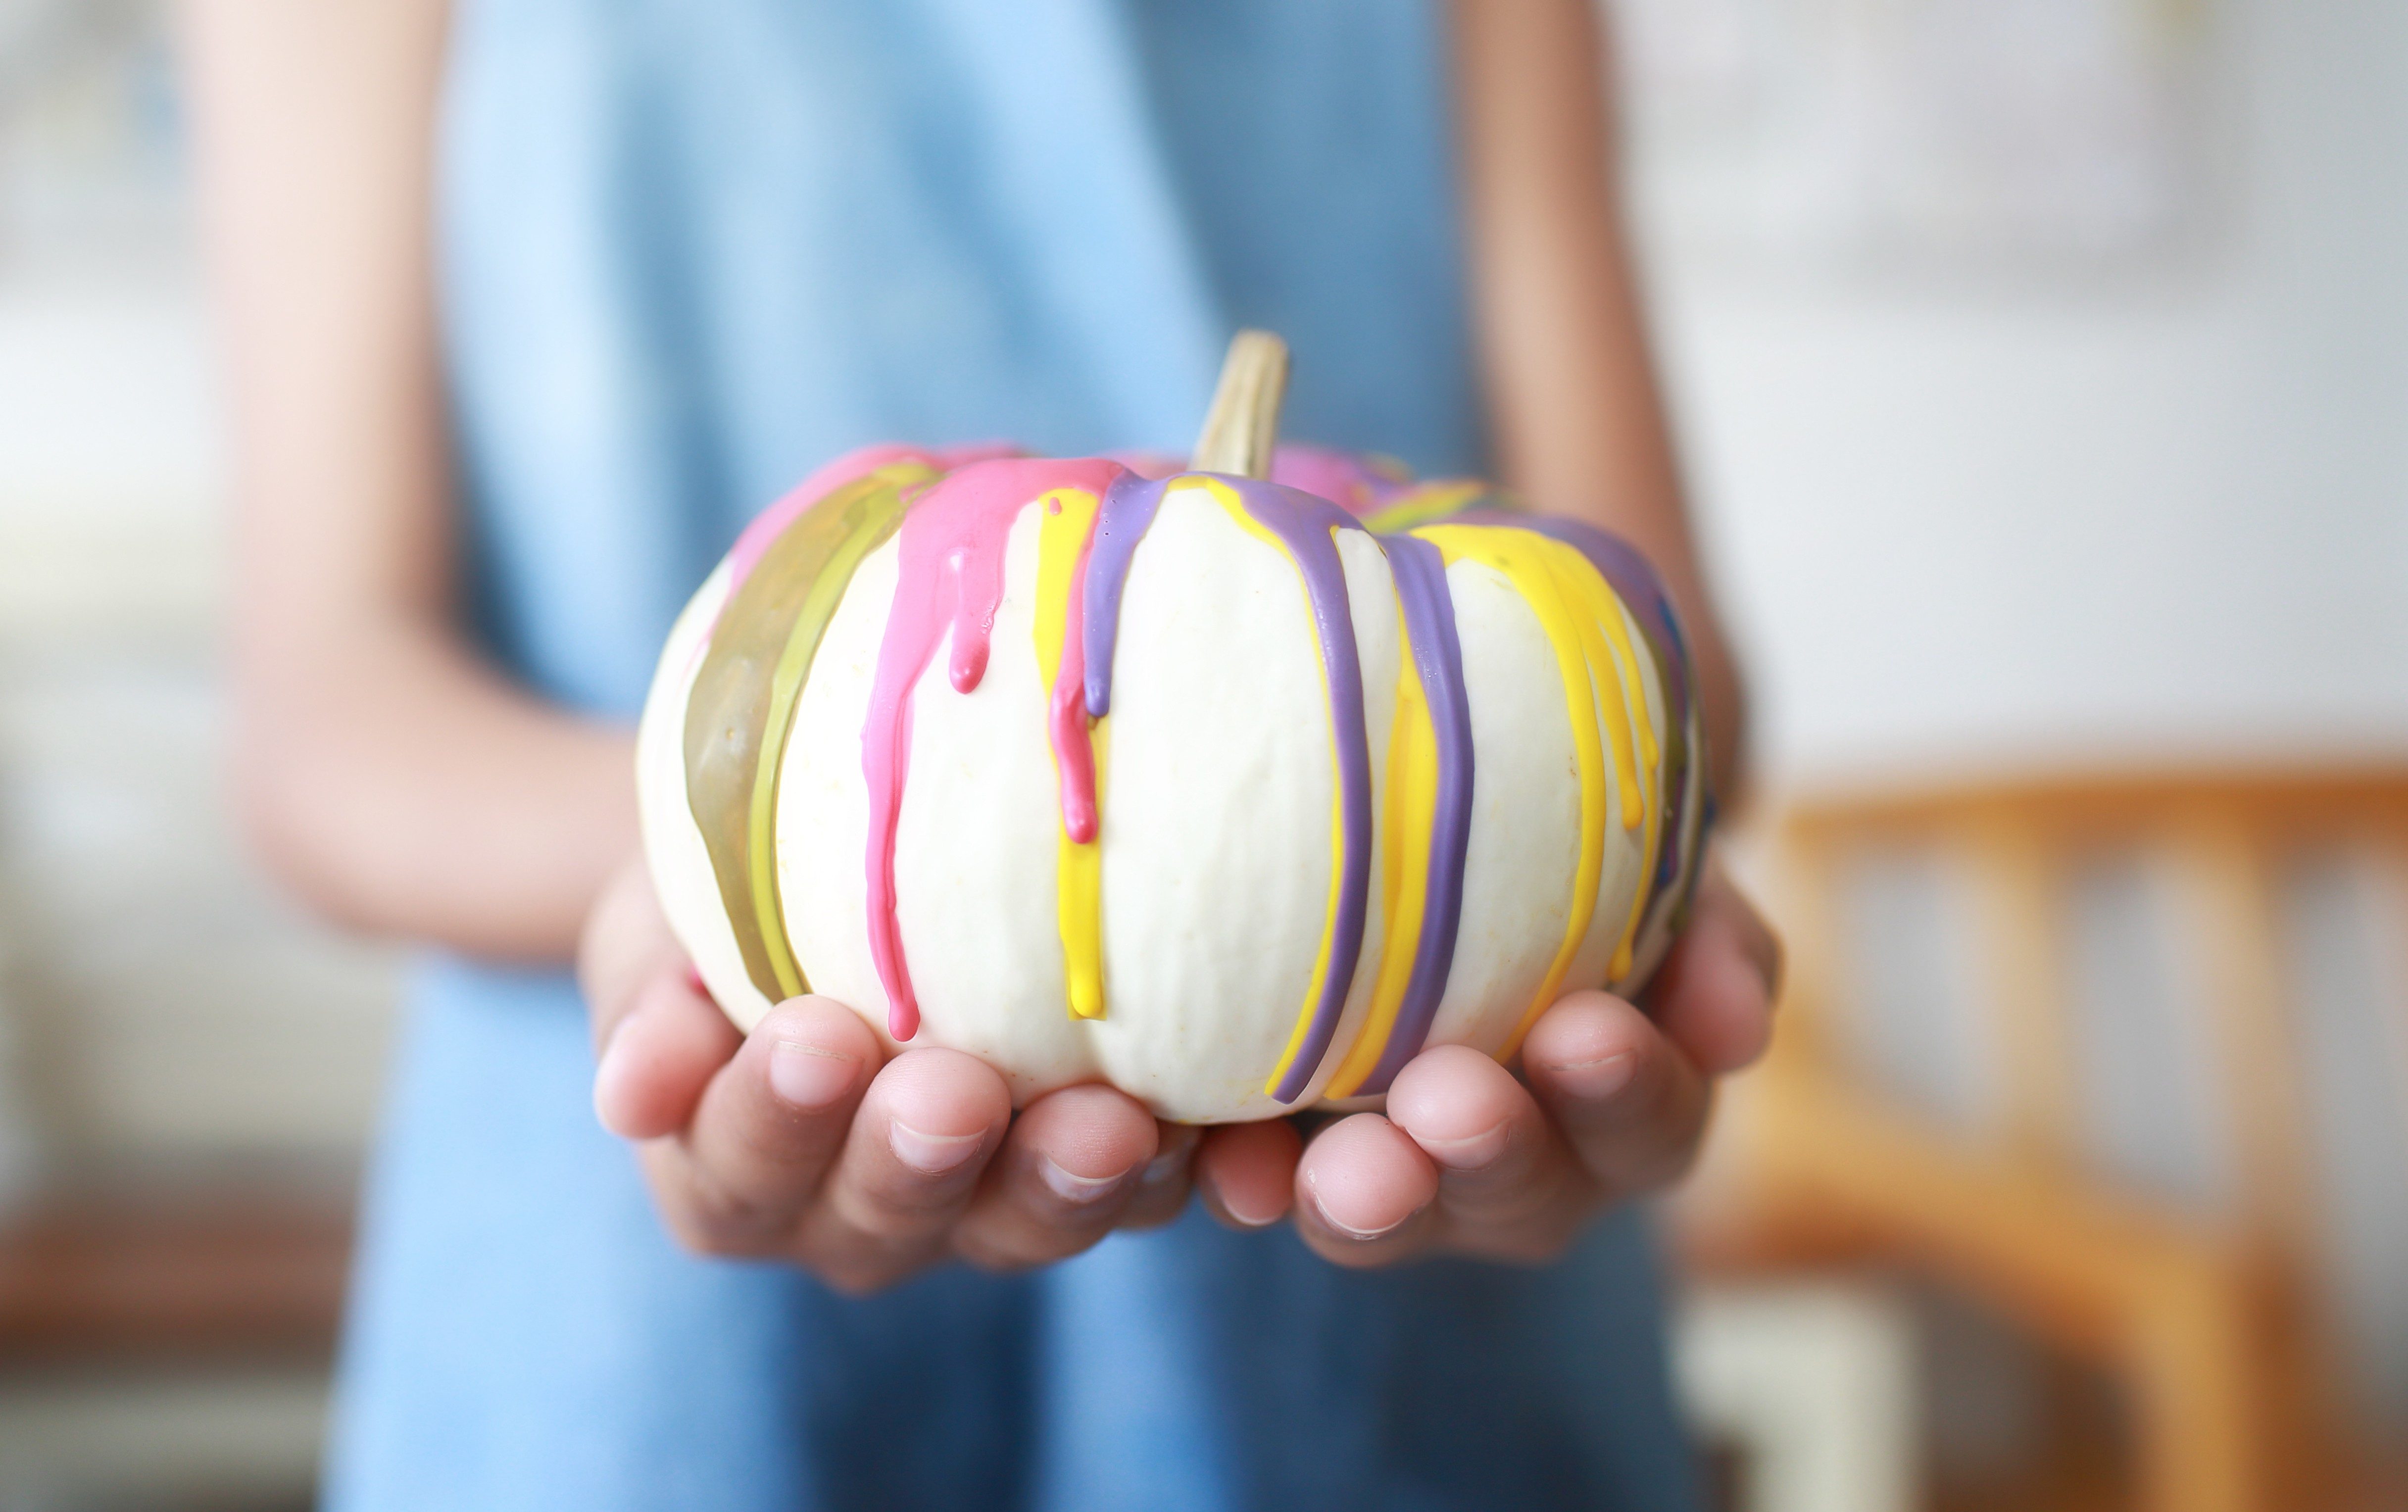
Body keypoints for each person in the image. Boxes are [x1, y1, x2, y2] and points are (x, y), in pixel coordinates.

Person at [181, 0, 1778, 1506]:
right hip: (657, 1195)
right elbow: (333, 717)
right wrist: (793, 852)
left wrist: (1574, 857)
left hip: (1401, 1167)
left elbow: (1672, 668)